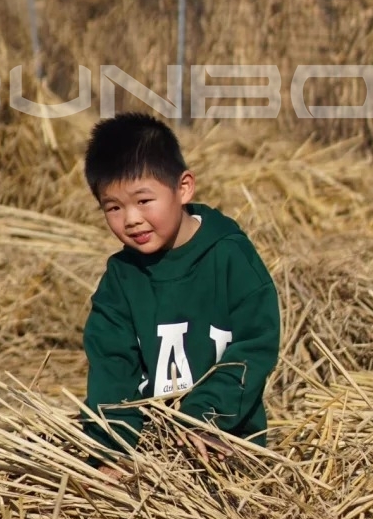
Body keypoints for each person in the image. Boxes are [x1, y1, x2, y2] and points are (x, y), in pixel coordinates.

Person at [81, 111, 280, 466]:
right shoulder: (120, 280)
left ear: (184, 187)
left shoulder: (231, 257)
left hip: (226, 448)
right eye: (113, 207)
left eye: (143, 201)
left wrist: (205, 417)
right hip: (148, 457)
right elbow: (111, 370)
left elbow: (256, 345)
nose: (131, 219)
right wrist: (112, 453)